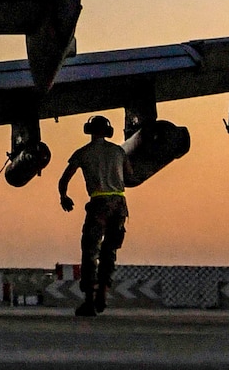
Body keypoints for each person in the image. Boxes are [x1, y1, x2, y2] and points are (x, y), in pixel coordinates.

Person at [57, 115, 129, 317]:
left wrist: (64, 197)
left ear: (89, 130)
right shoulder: (119, 151)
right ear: (108, 131)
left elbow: (64, 179)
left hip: (99, 204)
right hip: (120, 204)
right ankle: (103, 295)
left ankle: (89, 300)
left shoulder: (83, 153)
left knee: (90, 251)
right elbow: (131, 176)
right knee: (110, 250)